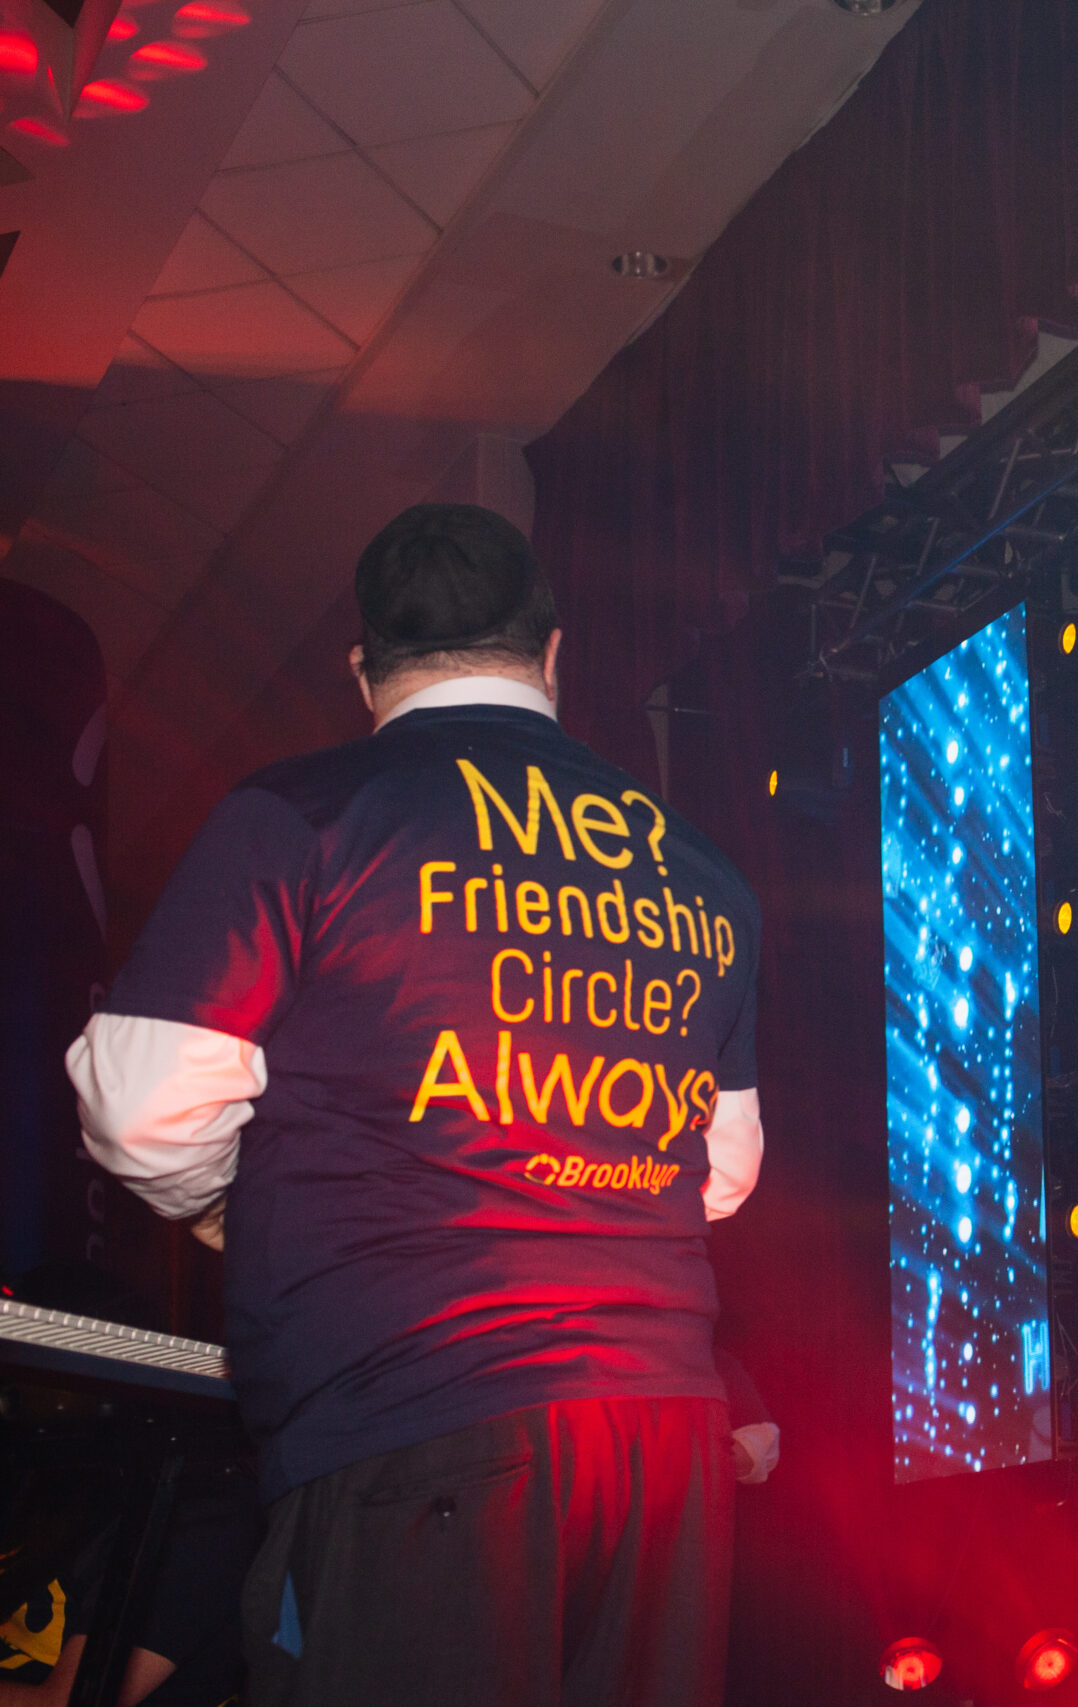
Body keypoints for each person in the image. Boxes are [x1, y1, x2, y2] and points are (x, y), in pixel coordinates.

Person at [65, 504, 763, 1707]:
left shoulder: (304, 817)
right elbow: (726, 1167)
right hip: (664, 1450)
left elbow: (138, 1102)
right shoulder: (697, 868)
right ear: (551, 655)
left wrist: (242, 1210)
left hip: (415, 1422)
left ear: (361, 669)